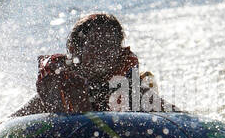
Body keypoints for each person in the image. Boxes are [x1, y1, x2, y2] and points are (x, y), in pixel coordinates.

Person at [12, 12, 177, 116]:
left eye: (111, 45)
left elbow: (177, 117)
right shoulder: (59, 77)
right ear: (75, 49)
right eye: (96, 44)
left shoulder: (128, 84)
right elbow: (58, 121)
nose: (105, 51)